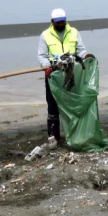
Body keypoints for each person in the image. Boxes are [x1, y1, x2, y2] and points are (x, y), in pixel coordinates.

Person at [38, 8, 94, 149]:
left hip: (71, 73)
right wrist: (47, 67)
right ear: (52, 22)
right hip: (54, 74)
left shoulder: (74, 32)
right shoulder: (45, 35)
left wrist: (86, 55)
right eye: (58, 22)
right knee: (53, 107)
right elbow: (42, 55)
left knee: (73, 105)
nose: (61, 24)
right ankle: (54, 138)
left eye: (63, 21)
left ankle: (75, 135)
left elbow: (80, 49)